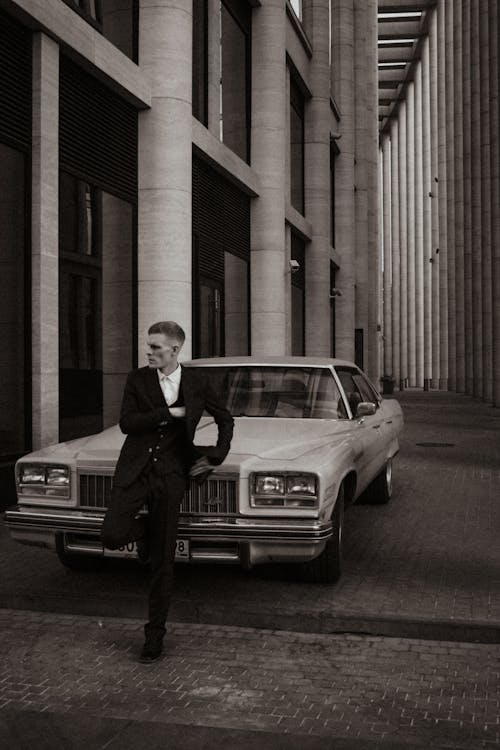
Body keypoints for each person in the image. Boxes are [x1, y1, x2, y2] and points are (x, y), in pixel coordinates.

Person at [101, 321, 234, 663]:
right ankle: (145, 533)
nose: (149, 352)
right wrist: (168, 413)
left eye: (156, 347)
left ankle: (154, 636)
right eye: (149, 346)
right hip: (134, 471)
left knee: (162, 561)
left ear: (175, 350)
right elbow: (127, 423)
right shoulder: (137, 379)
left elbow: (225, 419)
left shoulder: (198, 382)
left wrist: (214, 456)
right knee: (113, 535)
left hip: (172, 474)